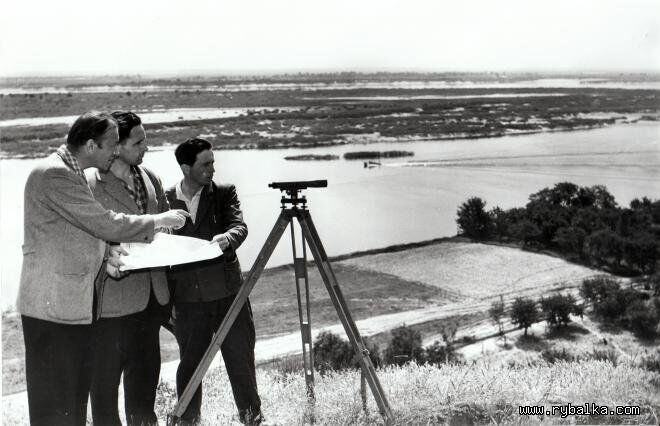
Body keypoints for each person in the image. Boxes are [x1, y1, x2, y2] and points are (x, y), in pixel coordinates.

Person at [17, 111, 189, 426]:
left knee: (71, 406)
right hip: (54, 310)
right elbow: (103, 223)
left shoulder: (70, 172)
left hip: (67, 308)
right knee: (57, 410)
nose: (114, 152)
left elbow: (77, 235)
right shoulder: (56, 175)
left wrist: (107, 257)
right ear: (91, 145)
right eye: (111, 145)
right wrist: (158, 220)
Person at [166, 138, 262, 425]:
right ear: (186, 167)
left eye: (213, 163)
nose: (212, 169)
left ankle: (252, 419)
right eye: (205, 164)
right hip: (188, 301)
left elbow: (239, 226)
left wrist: (227, 240)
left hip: (228, 296)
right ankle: (188, 420)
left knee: (240, 362)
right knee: (190, 366)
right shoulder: (165, 198)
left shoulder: (223, 192)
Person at [86, 111, 171, 425]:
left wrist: (167, 235)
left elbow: (162, 226)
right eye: (139, 141)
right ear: (116, 146)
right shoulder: (90, 183)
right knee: (105, 400)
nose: (146, 146)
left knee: (144, 396)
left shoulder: (151, 178)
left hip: (151, 303)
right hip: (110, 309)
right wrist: (108, 250)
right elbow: (81, 237)